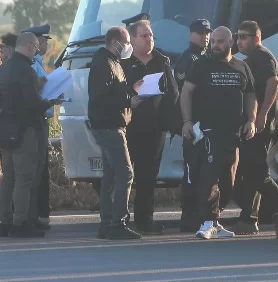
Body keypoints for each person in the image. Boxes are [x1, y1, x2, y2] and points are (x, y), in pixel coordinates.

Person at [180, 27, 257, 240]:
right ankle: (207, 221)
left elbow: (251, 95)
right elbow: (186, 92)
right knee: (209, 177)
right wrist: (187, 121)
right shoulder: (201, 65)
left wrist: (251, 120)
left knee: (228, 181)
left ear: (230, 42)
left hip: (233, 134)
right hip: (208, 132)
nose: (215, 45)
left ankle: (215, 220)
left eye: (220, 41)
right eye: (212, 41)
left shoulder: (242, 67)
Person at [0, 32, 61, 238]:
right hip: (25, 132)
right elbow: (32, 103)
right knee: (24, 179)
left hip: (6, 130)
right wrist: (52, 101)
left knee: (8, 178)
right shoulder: (27, 70)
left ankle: (4, 222)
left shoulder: (3, 69)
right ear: (31, 47)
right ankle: (20, 222)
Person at [122, 19, 179, 234]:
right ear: (133, 39)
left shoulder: (162, 61)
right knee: (125, 175)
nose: (150, 40)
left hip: (155, 128)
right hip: (129, 126)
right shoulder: (124, 63)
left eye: (151, 36)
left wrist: (173, 124)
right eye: (144, 36)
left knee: (148, 176)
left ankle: (145, 220)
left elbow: (172, 95)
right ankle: (120, 219)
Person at [88, 26, 142, 240]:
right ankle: (117, 223)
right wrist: (129, 101)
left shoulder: (113, 62)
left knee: (110, 176)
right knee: (125, 173)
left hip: (111, 125)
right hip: (109, 126)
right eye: (127, 42)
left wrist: (132, 91)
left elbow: (113, 92)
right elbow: (101, 98)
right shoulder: (104, 64)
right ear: (115, 43)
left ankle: (107, 223)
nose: (129, 46)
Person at [232, 20, 278, 235]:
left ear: (257, 38)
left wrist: (261, 116)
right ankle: (249, 218)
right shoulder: (252, 58)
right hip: (261, 122)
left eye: (244, 36)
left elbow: (273, 83)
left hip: (264, 124)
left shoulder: (261, 56)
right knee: (252, 171)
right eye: (238, 36)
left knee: (256, 172)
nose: (239, 40)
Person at [174, 18, 211, 232]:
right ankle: (188, 217)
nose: (204, 36)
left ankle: (199, 214)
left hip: (203, 123)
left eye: (207, 32)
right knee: (191, 171)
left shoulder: (206, 57)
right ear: (191, 34)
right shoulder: (189, 58)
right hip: (192, 123)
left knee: (203, 171)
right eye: (200, 32)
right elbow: (182, 89)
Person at [22, 24, 55, 229]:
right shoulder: (32, 64)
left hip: (41, 120)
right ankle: (34, 215)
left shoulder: (38, 63)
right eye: (42, 40)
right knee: (36, 172)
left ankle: (39, 214)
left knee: (41, 171)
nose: (44, 44)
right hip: (35, 122)